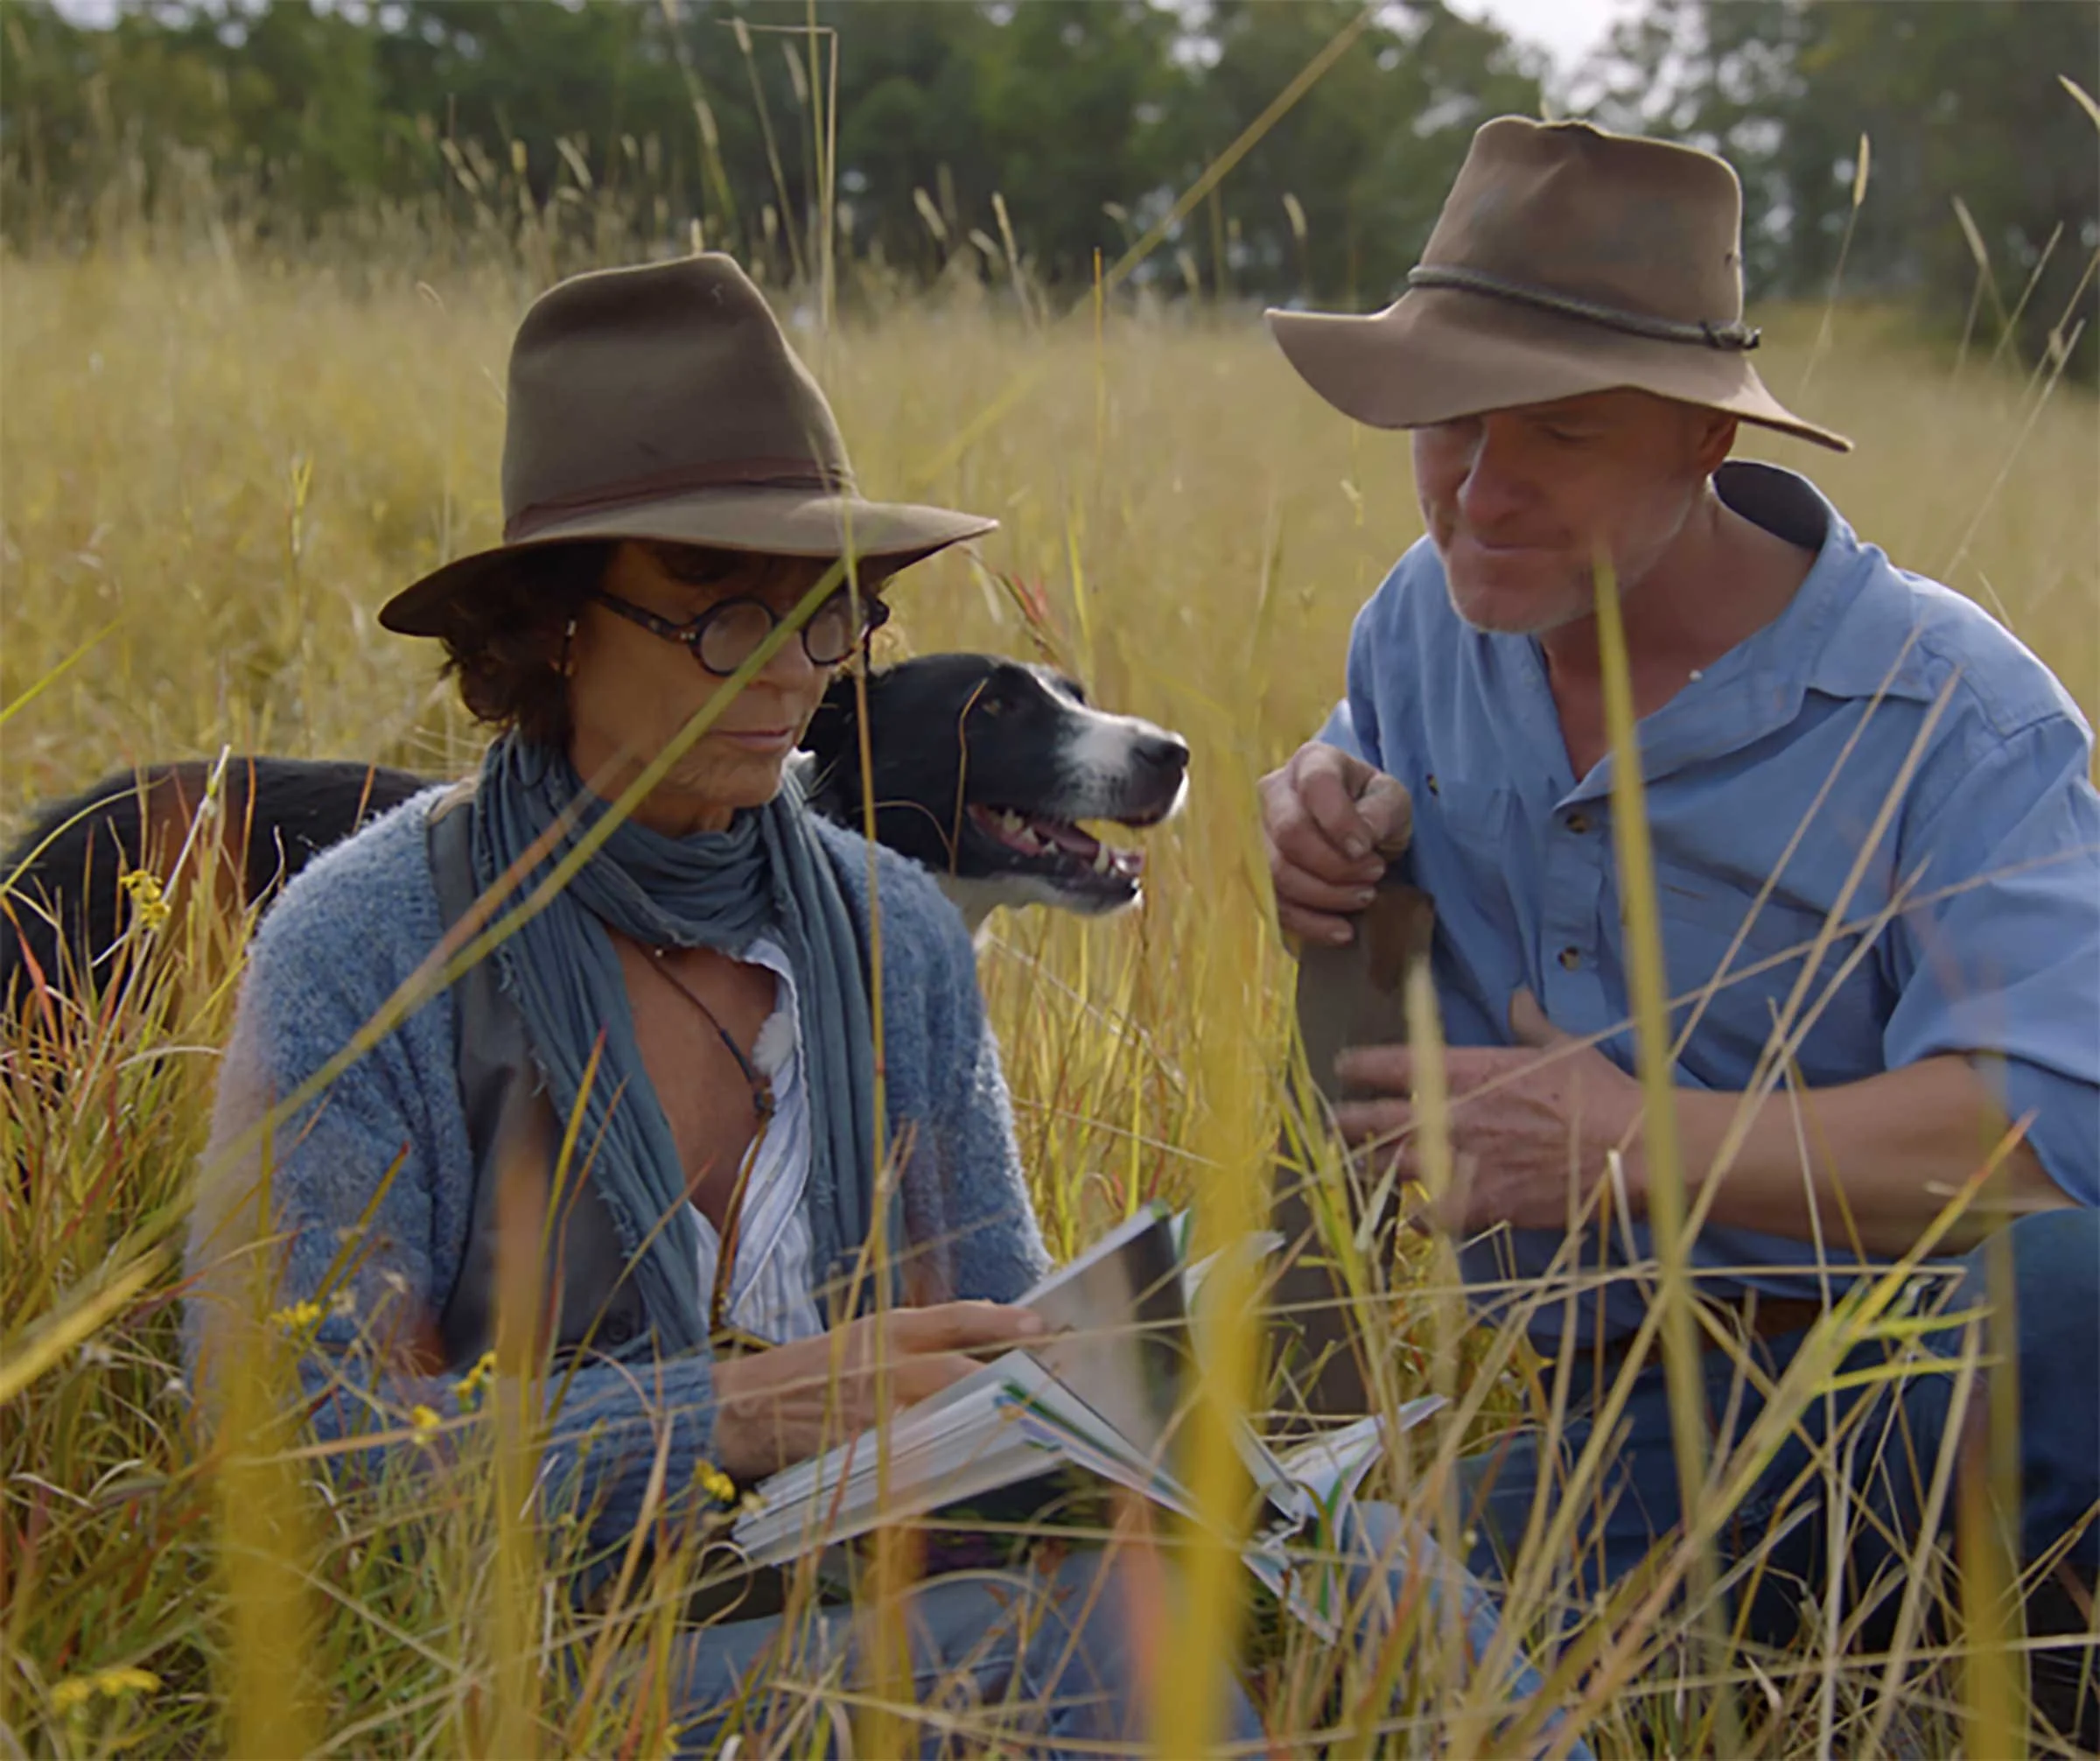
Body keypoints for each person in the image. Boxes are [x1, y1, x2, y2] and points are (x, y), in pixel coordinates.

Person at [183, 253, 1577, 1757]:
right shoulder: (372, 942)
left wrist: (1114, 1414)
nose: (790, 679)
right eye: (724, 617)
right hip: (534, 1655)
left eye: (828, 616)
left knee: (1375, 1571)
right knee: (1112, 1644)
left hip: (877, 1579)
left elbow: (998, 1353)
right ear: (554, 623)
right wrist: (726, 1416)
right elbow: (287, 1455)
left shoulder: (887, 929)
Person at [1258, 116, 2099, 1735]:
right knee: (1316, 1641)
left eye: (1558, 436)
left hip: (1917, 1384)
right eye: (1449, 426)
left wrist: (1639, 1142)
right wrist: (1316, 812)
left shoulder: (1955, 714)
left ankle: (1976, 1664)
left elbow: (2043, 1143)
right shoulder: (1422, 626)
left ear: (1704, 446)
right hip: (1618, 1434)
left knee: (2073, 1288)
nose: (1479, 494)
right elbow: (1369, 792)